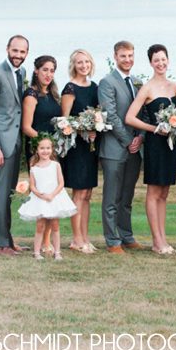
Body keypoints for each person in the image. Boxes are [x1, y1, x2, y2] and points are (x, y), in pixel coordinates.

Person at [125, 44, 176, 255]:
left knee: (164, 193)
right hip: (156, 145)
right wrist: (154, 129)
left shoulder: (175, 87)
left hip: (171, 145)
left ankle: (163, 238)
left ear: (168, 60)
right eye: (156, 60)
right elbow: (130, 117)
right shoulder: (147, 88)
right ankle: (157, 242)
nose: (160, 63)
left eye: (163, 59)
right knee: (154, 191)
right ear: (150, 63)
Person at [0, 35, 30, 257]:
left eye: (22, 52)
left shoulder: (22, 73)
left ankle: (8, 241)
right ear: (7, 49)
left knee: (9, 195)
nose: (18, 55)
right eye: (15, 51)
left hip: (15, 143)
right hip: (1, 145)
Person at [97, 41, 145, 254]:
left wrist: (141, 138)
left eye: (131, 55)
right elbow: (112, 115)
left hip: (136, 148)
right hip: (114, 148)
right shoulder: (107, 82)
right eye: (123, 56)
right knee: (112, 197)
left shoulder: (137, 82)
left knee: (127, 197)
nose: (128, 60)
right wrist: (128, 140)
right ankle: (112, 240)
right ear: (115, 57)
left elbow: (145, 114)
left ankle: (126, 236)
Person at [60, 49, 99, 254]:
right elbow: (64, 120)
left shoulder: (95, 87)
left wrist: (95, 127)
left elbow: (99, 114)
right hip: (76, 147)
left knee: (88, 193)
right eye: (79, 62)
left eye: (86, 62)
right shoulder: (70, 88)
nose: (84, 65)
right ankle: (76, 239)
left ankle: (85, 237)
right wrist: (83, 127)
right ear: (73, 65)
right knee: (78, 192)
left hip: (91, 146)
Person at [21, 55, 62, 254]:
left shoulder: (53, 94)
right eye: (45, 69)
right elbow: (26, 127)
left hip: (52, 153)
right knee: (41, 195)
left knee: (52, 195)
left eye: (52, 70)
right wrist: (45, 143)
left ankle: (47, 240)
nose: (48, 74)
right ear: (36, 71)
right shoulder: (31, 94)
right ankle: (43, 241)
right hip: (38, 152)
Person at [18, 135, 78, 260]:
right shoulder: (34, 168)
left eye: (48, 148)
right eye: (42, 148)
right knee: (40, 226)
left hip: (54, 198)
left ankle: (57, 252)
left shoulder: (55, 165)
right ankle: (36, 252)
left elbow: (61, 183)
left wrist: (52, 194)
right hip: (40, 199)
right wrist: (40, 194)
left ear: (52, 149)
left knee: (55, 225)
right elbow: (33, 186)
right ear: (37, 150)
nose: (45, 151)